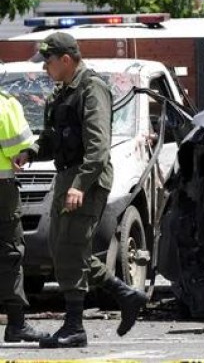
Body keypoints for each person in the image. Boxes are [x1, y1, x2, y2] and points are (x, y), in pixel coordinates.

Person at [14, 32, 147, 348]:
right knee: (65, 250)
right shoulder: (63, 92)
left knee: (72, 250)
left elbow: (98, 147)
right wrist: (31, 152)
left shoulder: (92, 88)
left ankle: (75, 326)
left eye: (47, 61)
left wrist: (80, 186)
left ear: (65, 59)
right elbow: (55, 138)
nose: (44, 68)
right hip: (67, 178)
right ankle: (125, 294)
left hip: (87, 180)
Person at [0, 90, 49, 343]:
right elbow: (17, 148)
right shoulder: (4, 104)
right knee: (10, 252)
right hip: (2, 188)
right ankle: (16, 324)